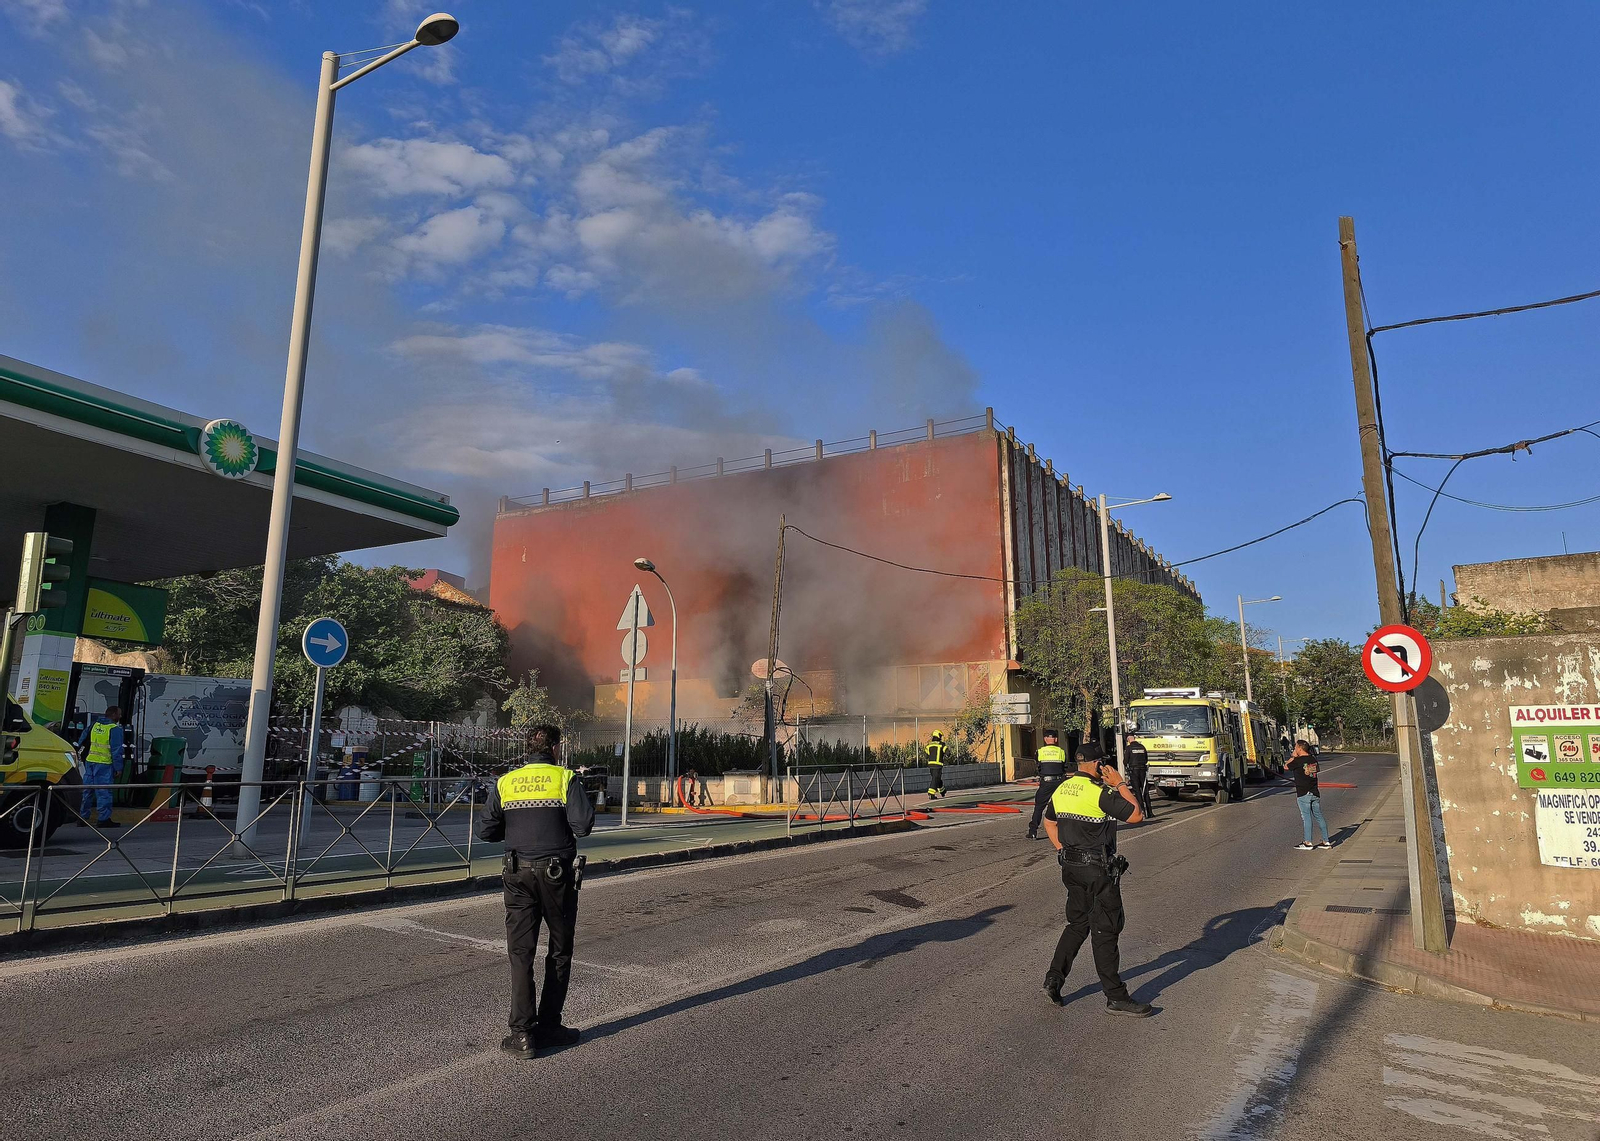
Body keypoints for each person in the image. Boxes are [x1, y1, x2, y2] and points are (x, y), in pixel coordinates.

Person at [478, 724, 596, 1058]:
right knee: (559, 950)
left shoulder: (506, 782)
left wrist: (515, 828)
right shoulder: (565, 778)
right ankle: (549, 1026)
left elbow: (485, 831)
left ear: (526, 748)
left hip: (517, 874)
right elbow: (583, 826)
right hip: (557, 875)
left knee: (520, 953)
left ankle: (522, 1035)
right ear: (556, 748)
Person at [1041, 743, 1152, 1017]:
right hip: (1097, 870)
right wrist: (1120, 783)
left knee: (1077, 924)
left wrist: (1061, 850)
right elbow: (1137, 814)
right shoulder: (1099, 792)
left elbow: (1049, 822)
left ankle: (1054, 980)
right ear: (1098, 764)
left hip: (1071, 867)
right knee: (1105, 929)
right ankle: (1116, 997)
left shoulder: (1062, 789)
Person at [75, 705, 124, 828]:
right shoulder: (115, 729)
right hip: (104, 764)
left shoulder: (94, 725)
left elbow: (82, 740)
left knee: (87, 791)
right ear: (113, 715)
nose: (120, 716)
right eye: (119, 714)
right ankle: (103, 819)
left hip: (90, 762)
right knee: (104, 792)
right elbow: (116, 751)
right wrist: (118, 768)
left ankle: (82, 817)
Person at [1286, 741, 1332, 850]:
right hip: (1314, 792)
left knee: (1306, 817)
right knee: (1319, 816)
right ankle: (1326, 841)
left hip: (1303, 793)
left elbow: (1286, 767)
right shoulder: (1312, 759)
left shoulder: (1297, 760)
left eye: (1296, 747)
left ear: (1300, 748)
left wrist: (1293, 756)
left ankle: (1308, 842)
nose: (1295, 749)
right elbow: (1313, 772)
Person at [1026, 729, 1069, 840]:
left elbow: (1038, 766)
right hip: (1059, 782)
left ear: (1045, 739)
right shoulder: (1061, 751)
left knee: (1039, 807)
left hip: (1046, 782)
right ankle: (1064, 831)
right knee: (1062, 807)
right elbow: (1064, 767)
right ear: (1056, 739)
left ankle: (1033, 831)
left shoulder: (1040, 752)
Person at [1123, 726, 1153, 819]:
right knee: (1145, 791)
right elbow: (1146, 759)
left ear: (1128, 739)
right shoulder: (1142, 747)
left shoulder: (1129, 748)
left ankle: (1142, 812)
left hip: (1134, 771)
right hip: (1143, 771)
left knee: (1137, 792)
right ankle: (1150, 812)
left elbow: (1125, 761)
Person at [925, 730, 947, 799]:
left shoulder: (929, 745)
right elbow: (948, 753)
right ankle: (931, 793)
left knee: (937, 778)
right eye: (940, 736)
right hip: (938, 765)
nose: (941, 737)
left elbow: (926, 755)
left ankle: (942, 791)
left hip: (931, 765)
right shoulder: (942, 745)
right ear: (938, 736)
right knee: (935, 779)